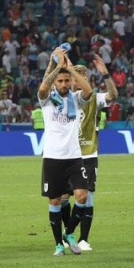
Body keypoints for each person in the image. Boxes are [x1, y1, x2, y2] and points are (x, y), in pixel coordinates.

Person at [37, 47, 93, 256]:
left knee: (82, 197)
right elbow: (43, 88)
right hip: (52, 158)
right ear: (55, 83)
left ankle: (69, 233)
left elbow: (88, 91)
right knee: (55, 201)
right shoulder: (46, 100)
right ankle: (58, 243)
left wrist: (69, 68)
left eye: (66, 81)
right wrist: (56, 67)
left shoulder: (76, 99)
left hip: (73, 157)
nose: (63, 84)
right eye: (59, 81)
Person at [69, 55, 118, 251]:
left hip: (88, 154)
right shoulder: (62, 99)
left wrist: (105, 74)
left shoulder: (95, 99)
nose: (80, 84)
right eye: (76, 79)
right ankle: (68, 235)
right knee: (64, 197)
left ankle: (83, 239)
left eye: (84, 80)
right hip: (67, 155)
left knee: (87, 196)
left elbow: (113, 95)